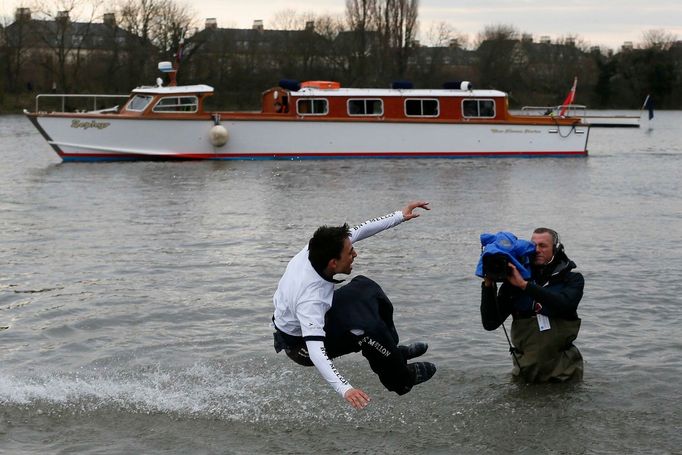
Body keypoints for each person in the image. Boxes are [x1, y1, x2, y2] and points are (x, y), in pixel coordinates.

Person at [272, 201, 436, 410]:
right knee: (365, 329)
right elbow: (315, 352)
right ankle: (401, 380)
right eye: (350, 253)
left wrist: (400, 215)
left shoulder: (318, 249)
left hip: (318, 317)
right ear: (333, 262)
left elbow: (361, 230)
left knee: (366, 288)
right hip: (299, 345)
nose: (355, 254)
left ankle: (393, 353)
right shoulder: (310, 300)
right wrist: (345, 388)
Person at [480, 227, 584, 382]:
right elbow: (490, 323)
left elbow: (563, 304)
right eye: (533, 245)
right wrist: (488, 285)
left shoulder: (572, 279)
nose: (537, 250)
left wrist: (525, 286)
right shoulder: (513, 283)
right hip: (525, 372)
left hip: (566, 372)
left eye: (543, 246)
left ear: (556, 249)